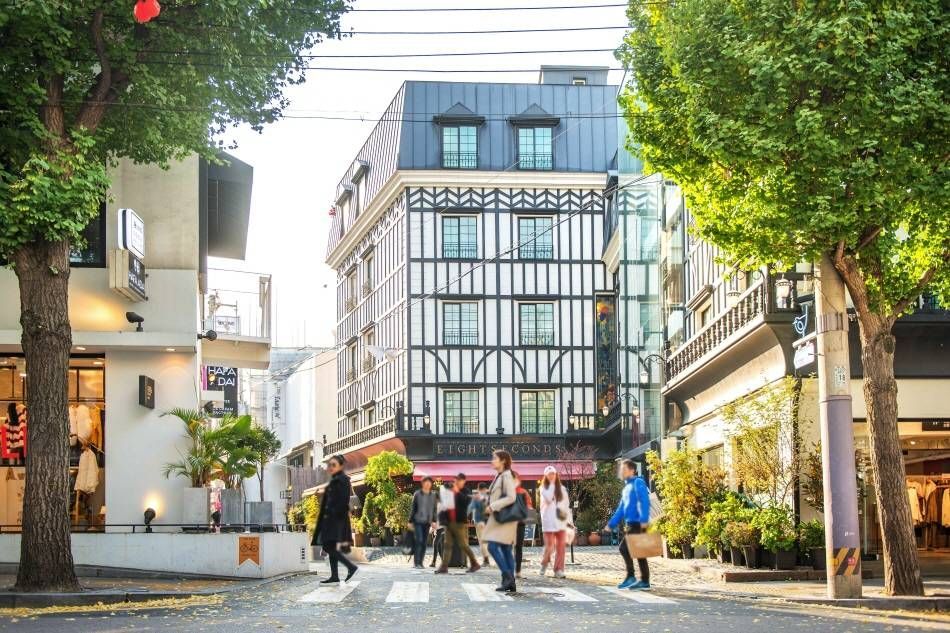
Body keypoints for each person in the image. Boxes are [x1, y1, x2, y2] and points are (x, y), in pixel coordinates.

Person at [312, 454, 358, 584]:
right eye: (330, 464)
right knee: (331, 547)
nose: (330, 467)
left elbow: (342, 501)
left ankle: (351, 567)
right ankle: (335, 576)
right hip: (332, 519)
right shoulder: (337, 480)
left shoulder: (343, 480)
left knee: (329, 547)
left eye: (334, 464)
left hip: (336, 520)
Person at [608, 458, 651, 590]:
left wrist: (644, 520)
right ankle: (644, 580)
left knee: (625, 549)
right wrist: (611, 523)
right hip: (631, 523)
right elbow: (621, 508)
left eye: (624, 469)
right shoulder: (627, 487)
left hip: (638, 523)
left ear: (632, 470)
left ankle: (633, 577)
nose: (621, 471)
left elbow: (645, 502)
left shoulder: (638, 482)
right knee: (638, 552)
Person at [482, 449, 519, 593]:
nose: (492, 461)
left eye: (495, 458)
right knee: (505, 549)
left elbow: (511, 497)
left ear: (503, 461)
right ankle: (510, 582)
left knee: (492, 547)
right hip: (501, 517)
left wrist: (492, 506)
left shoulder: (506, 476)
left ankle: (507, 576)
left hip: (504, 517)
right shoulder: (500, 476)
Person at [436, 474, 481, 574]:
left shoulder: (466, 491)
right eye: (456, 480)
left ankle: (474, 563)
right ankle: (444, 566)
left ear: (463, 481)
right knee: (447, 544)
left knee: (463, 544)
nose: (457, 482)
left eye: (459, 480)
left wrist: (457, 492)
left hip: (460, 522)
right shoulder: (450, 490)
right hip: (449, 522)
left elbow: (466, 502)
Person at [538, 465, 572, 578]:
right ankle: (544, 563)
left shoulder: (562, 489)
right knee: (550, 547)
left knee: (561, 547)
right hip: (548, 522)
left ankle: (558, 569)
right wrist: (552, 484)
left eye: (553, 474)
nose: (551, 476)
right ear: (545, 476)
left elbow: (566, 506)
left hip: (560, 521)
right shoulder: (543, 488)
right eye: (549, 474)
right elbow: (548, 498)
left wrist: (569, 521)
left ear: (556, 475)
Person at [408, 477, 438, 569]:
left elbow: (434, 509)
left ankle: (420, 562)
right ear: (423, 483)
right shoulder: (417, 494)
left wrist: (434, 521)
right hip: (418, 521)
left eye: (429, 483)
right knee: (419, 540)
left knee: (424, 542)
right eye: (426, 482)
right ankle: (416, 563)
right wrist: (410, 521)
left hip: (427, 522)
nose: (428, 484)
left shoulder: (433, 495)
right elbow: (413, 508)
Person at [512, 472, 534, 578]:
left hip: (520, 522)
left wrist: (529, 511)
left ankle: (518, 571)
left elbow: (529, 504)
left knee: (518, 547)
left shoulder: (523, 492)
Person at [468, 482, 491, 566]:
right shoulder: (489, 498)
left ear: (478, 489)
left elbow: (470, 508)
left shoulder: (476, 498)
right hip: (489, 522)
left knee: (482, 541)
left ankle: (486, 560)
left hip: (479, 522)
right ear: (485, 489)